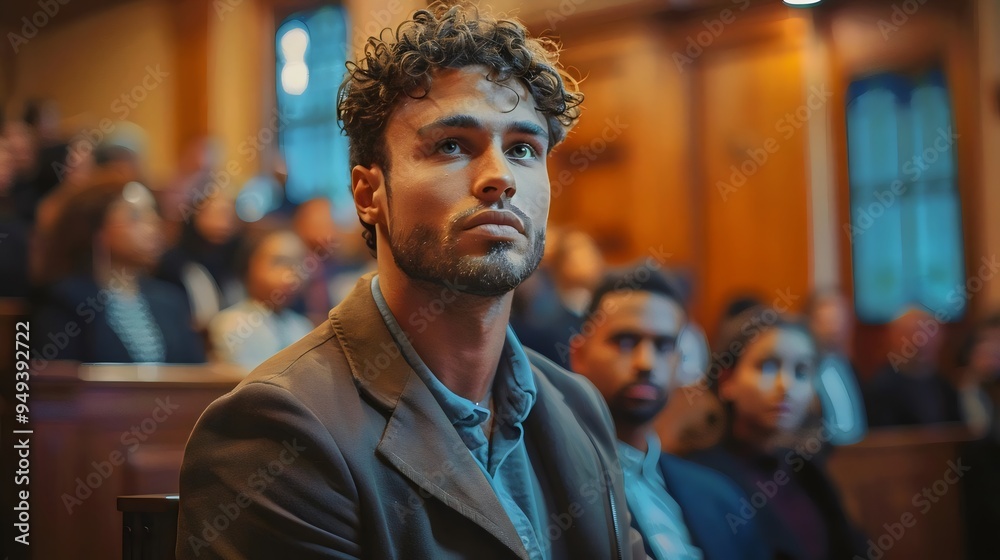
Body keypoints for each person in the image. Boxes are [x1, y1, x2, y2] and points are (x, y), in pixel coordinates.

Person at [177, 4, 643, 559]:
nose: (499, 177)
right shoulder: (277, 431)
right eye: (452, 145)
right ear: (368, 194)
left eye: (522, 149)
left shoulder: (578, 406)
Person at [570, 267, 771, 560]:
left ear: (678, 361)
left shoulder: (721, 497)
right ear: (579, 355)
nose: (646, 362)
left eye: (664, 346)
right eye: (626, 341)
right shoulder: (549, 486)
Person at [687, 306, 866, 560]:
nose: (787, 385)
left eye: (801, 371)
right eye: (768, 367)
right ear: (727, 380)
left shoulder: (805, 469)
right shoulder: (699, 475)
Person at [32, 171, 205, 363]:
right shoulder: (65, 300)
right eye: (136, 216)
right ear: (97, 229)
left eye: (153, 213)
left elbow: (197, 377)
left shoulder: (171, 301)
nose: (153, 224)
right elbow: (58, 385)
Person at [208, 228, 314, 371]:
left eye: (298, 264)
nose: (290, 274)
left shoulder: (303, 327)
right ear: (249, 264)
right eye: (279, 262)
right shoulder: (230, 324)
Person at [864, 307, 962, 427]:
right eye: (910, 333)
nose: (921, 342)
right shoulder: (881, 387)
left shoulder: (945, 385)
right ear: (893, 338)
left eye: (929, 333)